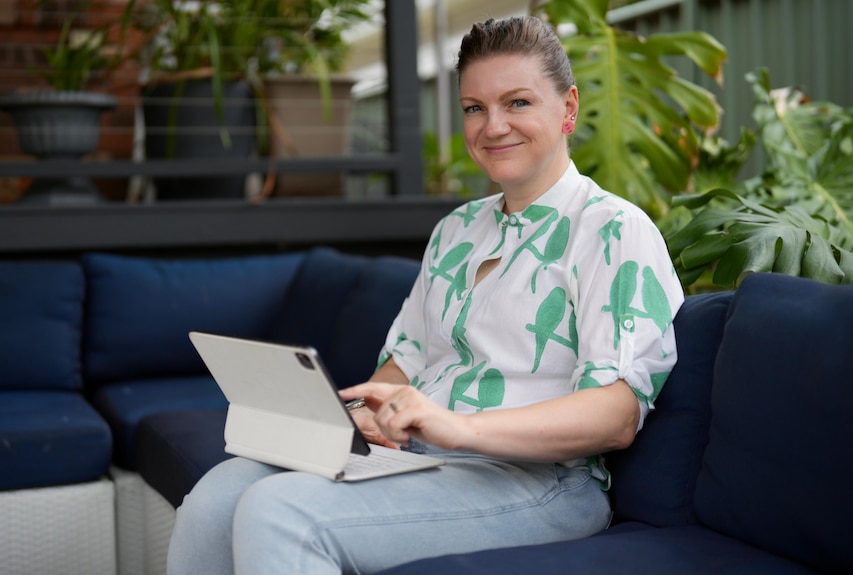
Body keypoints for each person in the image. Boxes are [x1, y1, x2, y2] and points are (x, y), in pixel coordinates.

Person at [167, 15, 684, 575]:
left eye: (517, 102)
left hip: (541, 480)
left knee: (280, 513)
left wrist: (459, 428)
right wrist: (362, 414)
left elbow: (615, 415)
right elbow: (406, 363)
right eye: (474, 108)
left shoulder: (613, 229)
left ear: (568, 108)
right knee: (216, 498)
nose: (493, 126)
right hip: (423, 460)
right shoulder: (455, 231)